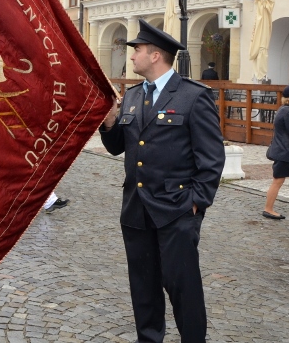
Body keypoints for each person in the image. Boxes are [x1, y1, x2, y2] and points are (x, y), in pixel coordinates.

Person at [100, 18, 224, 343]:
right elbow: (117, 148)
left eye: (137, 50)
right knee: (143, 290)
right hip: (136, 213)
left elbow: (212, 161)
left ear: (155, 55)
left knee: (184, 290)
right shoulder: (130, 96)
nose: (132, 56)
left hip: (176, 212)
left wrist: (195, 205)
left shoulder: (192, 97)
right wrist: (110, 121)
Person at [262, 84, 289, 220]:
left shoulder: (284, 110)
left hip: (285, 151)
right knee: (278, 181)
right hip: (286, 153)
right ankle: (268, 209)